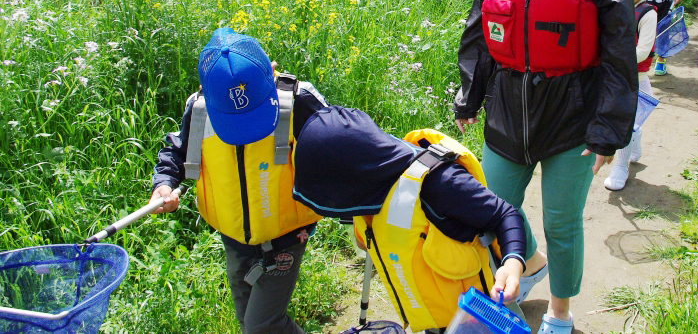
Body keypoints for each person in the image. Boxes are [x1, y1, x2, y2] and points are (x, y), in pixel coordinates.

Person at [454, 0, 637, 334]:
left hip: (572, 116)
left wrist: (608, 128)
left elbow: (620, 46)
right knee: (495, 216)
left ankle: (559, 315)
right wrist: (470, 94)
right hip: (508, 111)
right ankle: (518, 277)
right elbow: (480, 32)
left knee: (561, 223)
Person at [151, 28, 325, 334]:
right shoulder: (200, 108)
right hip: (233, 238)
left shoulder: (298, 101)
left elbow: (340, 146)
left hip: (287, 234)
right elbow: (175, 152)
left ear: (270, 71)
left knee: (262, 326)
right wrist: (163, 184)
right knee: (248, 324)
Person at [290, 108, 527, 330]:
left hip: (479, 320)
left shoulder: (439, 183)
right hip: (435, 320)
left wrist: (513, 264)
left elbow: (505, 215)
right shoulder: (370, 184)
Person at [604, 0, 657, 191]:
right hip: (615, 78)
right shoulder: (615, 7)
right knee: (628, 123)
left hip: (636, 81)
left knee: (628, 124)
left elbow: (643, 50)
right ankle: (634, 146)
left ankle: (620, 167)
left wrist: (615, 57)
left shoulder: (647, 14)